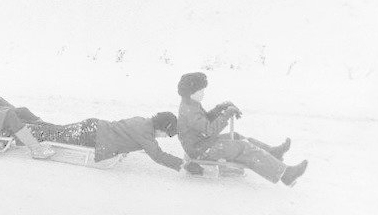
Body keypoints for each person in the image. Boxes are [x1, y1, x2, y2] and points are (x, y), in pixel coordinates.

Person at [176, 72, 308, 186]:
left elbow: (204, 121)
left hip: (202, 144)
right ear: (192, 93)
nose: (203, 93)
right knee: (244, 148)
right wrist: (226, 114)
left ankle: (273, 153)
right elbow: (210, 130)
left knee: (238, 137)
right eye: (201, 91)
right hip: (201, 150)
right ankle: (285, 174)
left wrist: (220, 108)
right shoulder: (189, 110)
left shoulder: (191, 105)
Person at [28, 112, 197, 172]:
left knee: (57, 131)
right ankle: (22, 130)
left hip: (93, 127)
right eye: (166, 134)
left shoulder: (142, 121)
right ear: (161, 128)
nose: (162, 137)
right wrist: (184, 165)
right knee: (52, 135)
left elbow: (125, 133)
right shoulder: (146, 134)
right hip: (91, 135)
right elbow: (158, 155)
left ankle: (28, 124)